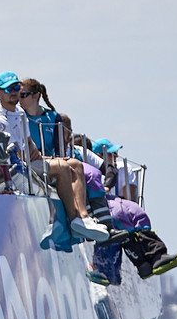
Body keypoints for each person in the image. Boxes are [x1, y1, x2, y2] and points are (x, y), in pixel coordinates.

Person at [12, 79, 109, 241]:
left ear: (36, 96)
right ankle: (72, 218)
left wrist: (56, 157)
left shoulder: (53, 116)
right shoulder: (19, 116)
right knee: (65, 167)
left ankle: (83, 216)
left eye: (23, 95)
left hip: (50, 160)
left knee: (76, 164)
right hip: (37, 161)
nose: (19, 99)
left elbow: (59, 148)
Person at [88, 196, 177, 285]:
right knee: (117, 216)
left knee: (135, 211)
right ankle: (105, 270)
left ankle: (148, 261)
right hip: (91, 200)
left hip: (102, 197)